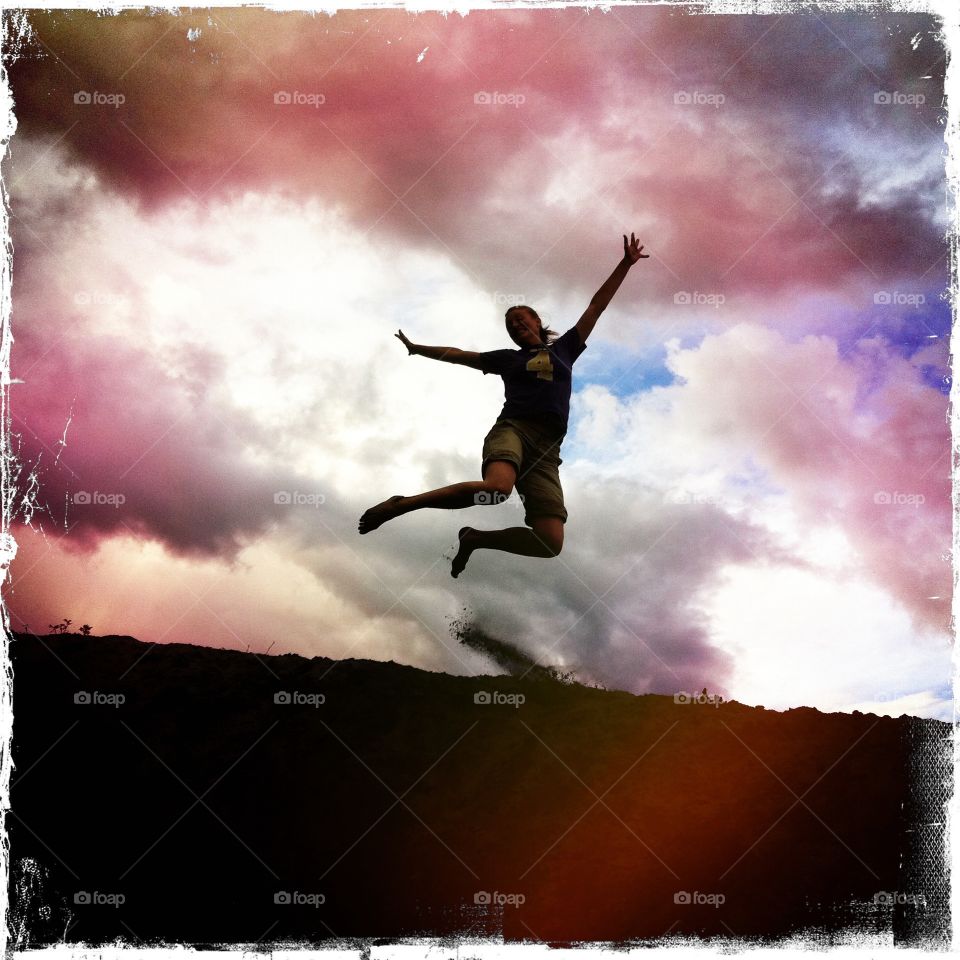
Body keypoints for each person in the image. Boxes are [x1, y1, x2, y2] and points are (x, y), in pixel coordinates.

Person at [358, 233, 649, 577]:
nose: (517, 324)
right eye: (511, 324)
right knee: (496, 491)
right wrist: (418, 348)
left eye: (523, 319)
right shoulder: (507, 359)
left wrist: (625, 264)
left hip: (547, 451)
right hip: (514, 429)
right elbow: (459, 355)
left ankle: (475, 538)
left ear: (539, 323)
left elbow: (596, 306)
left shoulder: (565, 349)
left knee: (549, 542)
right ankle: (402, 504)